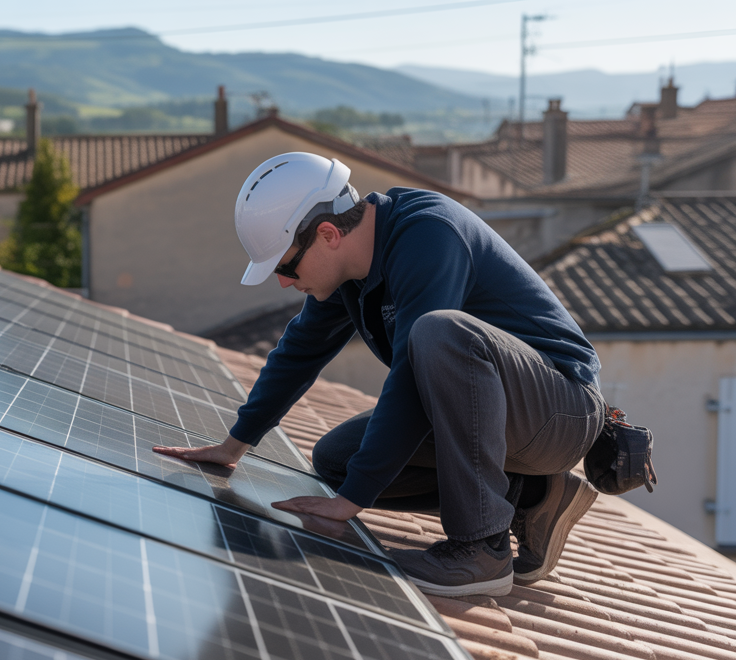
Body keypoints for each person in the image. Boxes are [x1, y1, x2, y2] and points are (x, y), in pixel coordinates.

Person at [154, 152, 604, 597]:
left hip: (561, 411)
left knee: (438, 331)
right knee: (337, 462)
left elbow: (412, 373)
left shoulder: (428, 234)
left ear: (328, 234)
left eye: (286, 267)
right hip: (501, 418)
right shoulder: (351, 270)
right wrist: (234, 445)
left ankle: (480, 549)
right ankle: (533, 495)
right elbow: (299, 351)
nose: (284, 283)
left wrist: (353, 501)